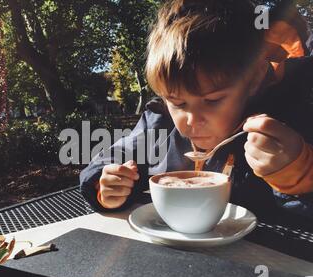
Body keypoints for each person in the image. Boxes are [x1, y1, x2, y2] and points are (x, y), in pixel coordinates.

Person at [80, 0, 313, 221]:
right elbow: (118, 154)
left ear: (254, 79)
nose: (192, 120)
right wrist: (107, 184)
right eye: (178, 103)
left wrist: (299, 177)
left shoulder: (292, 115)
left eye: (212, 100)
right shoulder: (160, 121)